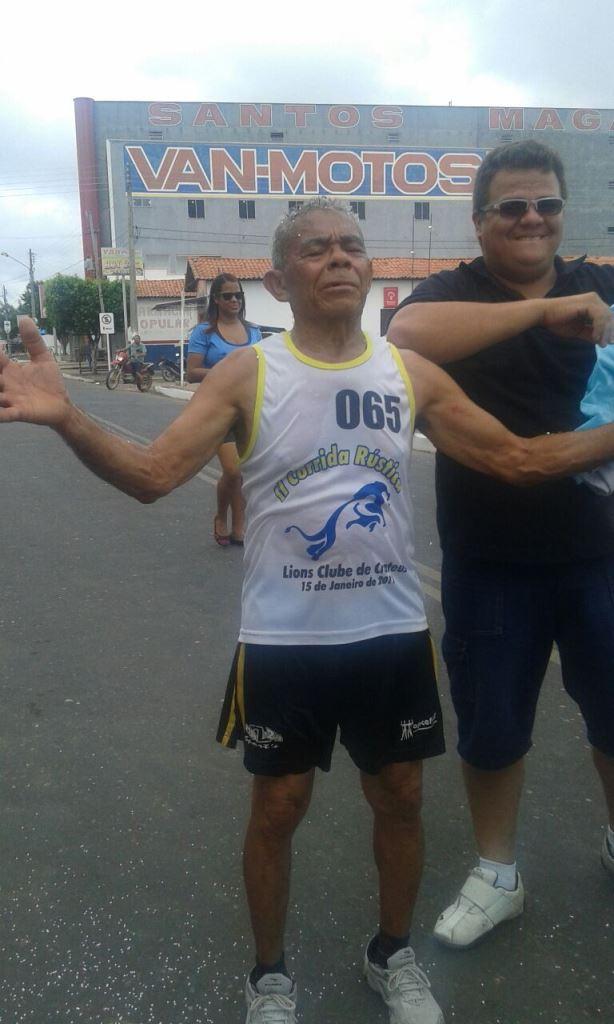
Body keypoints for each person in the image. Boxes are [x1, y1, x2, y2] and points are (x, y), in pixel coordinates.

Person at [2, 199, 614, 1024]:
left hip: (391, 636)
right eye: (316, 248)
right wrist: (67, 416)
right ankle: (270, 977)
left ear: (369, 271)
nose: (339, 258)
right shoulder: (249, 373)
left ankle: (392, 956)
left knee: (400, 797)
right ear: (276, 279)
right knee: (278, 808)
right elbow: (153, 476)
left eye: (352, 246)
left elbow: (518, 458)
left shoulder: (410, 374)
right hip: (284, 641)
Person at [388, 140, 614, 951]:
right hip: (491, 558)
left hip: (603, 553)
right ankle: (497, 871)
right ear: (481, 220)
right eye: (512, 206)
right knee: (491, 728)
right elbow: (405, 334)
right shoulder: (453, 291)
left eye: (546, 205)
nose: (531, 219)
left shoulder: (605, 285)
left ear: (563, 215)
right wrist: (543, 309)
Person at [187, 274, 262, 546]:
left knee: (245, 472)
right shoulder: (204, 333)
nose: (234, 300)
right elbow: (192, 372)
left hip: (249, 410)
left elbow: (261, 369)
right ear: (216, 299)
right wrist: (228, 374)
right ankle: (221, 516)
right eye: (228, 296)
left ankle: (240, 525)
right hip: (217, 410)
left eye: (238, 295)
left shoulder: (254, 332)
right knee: (232, 471)